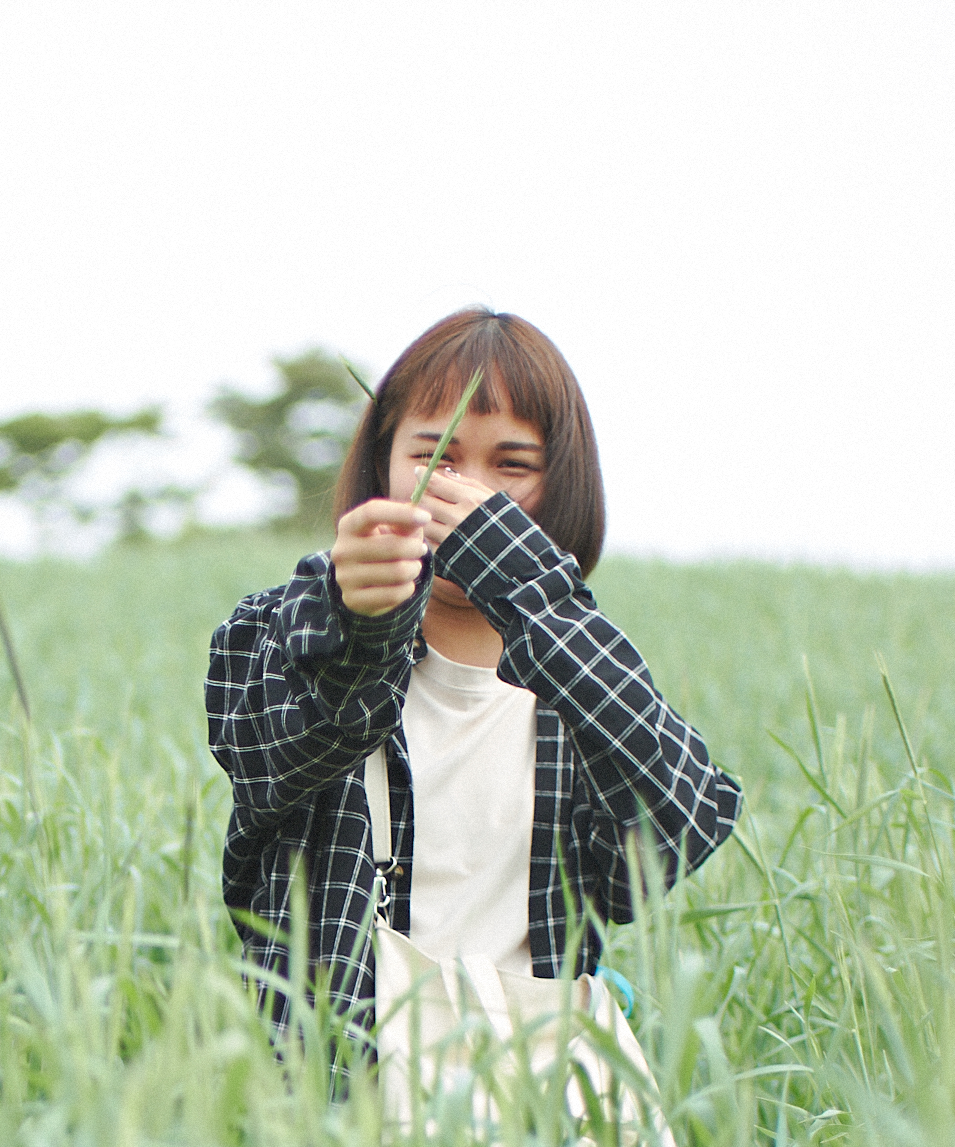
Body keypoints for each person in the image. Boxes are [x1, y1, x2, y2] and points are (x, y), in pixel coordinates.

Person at [206, 306, 740, 1045]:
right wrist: (361, 618)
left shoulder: (579, 667)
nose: (470, 492)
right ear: (383, 466)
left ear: (561, 485)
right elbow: (288, 747)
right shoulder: (284, 628)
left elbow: (675, 836)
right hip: (340, 1082)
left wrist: (526, 589)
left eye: (511, 466)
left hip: (539, 1090)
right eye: (438, 460)